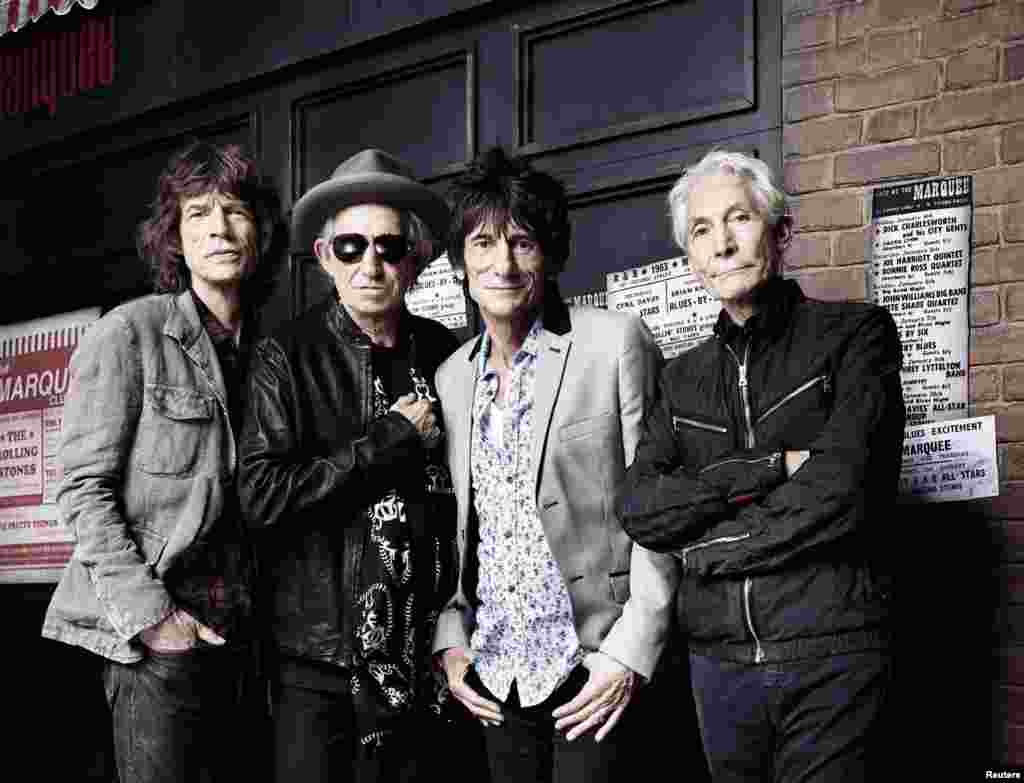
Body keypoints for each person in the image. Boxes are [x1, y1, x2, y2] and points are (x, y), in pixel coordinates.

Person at [619, 149, 905, 782]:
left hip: (832, 655)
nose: (722, 243)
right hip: (718, 669)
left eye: (739, 219)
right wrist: (772, 466)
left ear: (780, 232)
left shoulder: (855, 337)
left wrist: (708, 552)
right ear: (690, 258)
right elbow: (640, 507)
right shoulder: (680, 379)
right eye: (701, 230)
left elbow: (845, 489)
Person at [432, 147, 678, 783]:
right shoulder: (452, 377)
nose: (503, 263)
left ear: (551, 254)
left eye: (523, 242)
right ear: (460, 263)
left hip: (594, 661)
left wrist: (632, 652)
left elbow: (661, 506)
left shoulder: (613, 342)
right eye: (482, 244)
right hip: (497, 671)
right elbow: (454, 526)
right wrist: (449, 642)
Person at [41, 141, 281, 783]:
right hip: (159, 643)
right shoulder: (130, 333)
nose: (220, 229)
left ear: (258, 228)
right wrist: (153, 620)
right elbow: (82, 490)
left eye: (235, 211)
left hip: (252, 643)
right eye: (198, 213)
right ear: (174, 235)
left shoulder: (273, 351)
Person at [237, 148, 459, 783]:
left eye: (388, 248)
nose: (370, 265)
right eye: (351, 247)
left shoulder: (443, 351)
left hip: (425, 658)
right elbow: (262, 497)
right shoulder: (288, 353)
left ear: (414, 260)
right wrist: (388, 440)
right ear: (325, 256)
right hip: (321, 664)